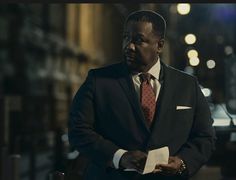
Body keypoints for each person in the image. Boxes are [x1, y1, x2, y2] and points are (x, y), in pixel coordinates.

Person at [68, 10, 216, 180]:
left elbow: (205, 136)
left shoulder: (187, 85)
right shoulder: (99, 80)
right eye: (126, 37)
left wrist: (183, 162)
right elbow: (78, 130)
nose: (129, 46)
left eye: (139, 40)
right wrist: (120, 157)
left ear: (159, 45)